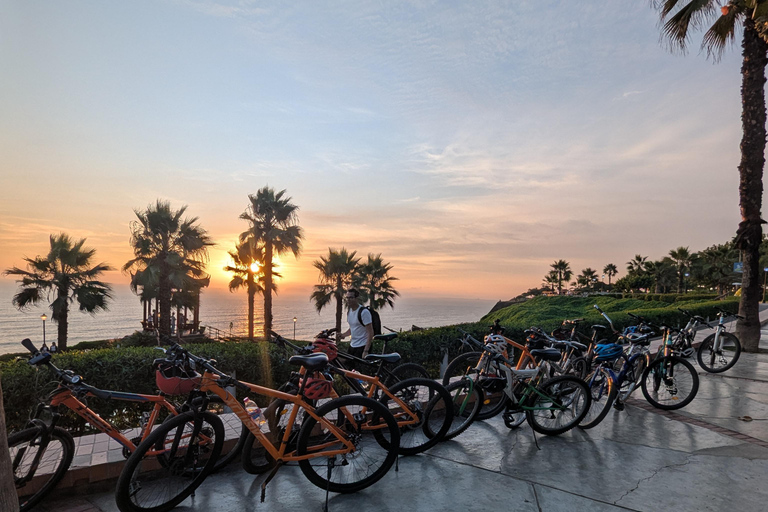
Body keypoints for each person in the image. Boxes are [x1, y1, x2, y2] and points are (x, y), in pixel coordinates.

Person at [338, 288, 374, 358]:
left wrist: (366, 351)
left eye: (351, 297)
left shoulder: (364, 312)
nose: (348, 300)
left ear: (357, 298)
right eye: (347, 297)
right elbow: (353, 328)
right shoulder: (349, 311)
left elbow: (370, 332)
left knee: (359, 368)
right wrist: (344, 335)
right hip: (353, 345)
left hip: (362, 346)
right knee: (348, 367)